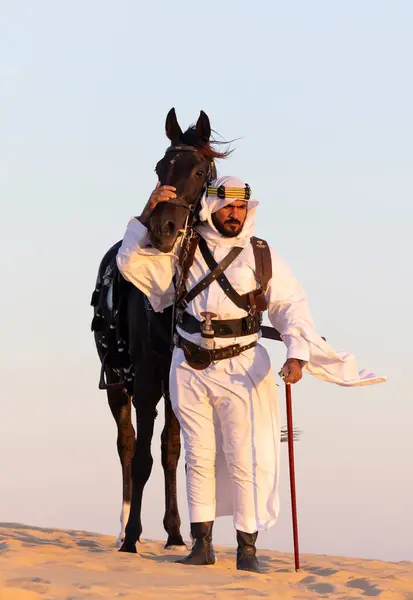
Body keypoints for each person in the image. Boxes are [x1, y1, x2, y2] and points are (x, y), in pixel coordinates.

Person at [117, 175, 385, 573]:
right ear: (211, 207)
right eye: (227, 207)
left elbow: (291, 307)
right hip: (190, 364)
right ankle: (201, 543)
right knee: (199, 456)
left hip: (244, 365)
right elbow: (132, 263)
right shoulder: (185, 248)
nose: (235, 214)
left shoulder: (262, 255)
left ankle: (247, 549)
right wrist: (147, 211)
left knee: (246, 457)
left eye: (241, 207)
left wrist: (296, 354)